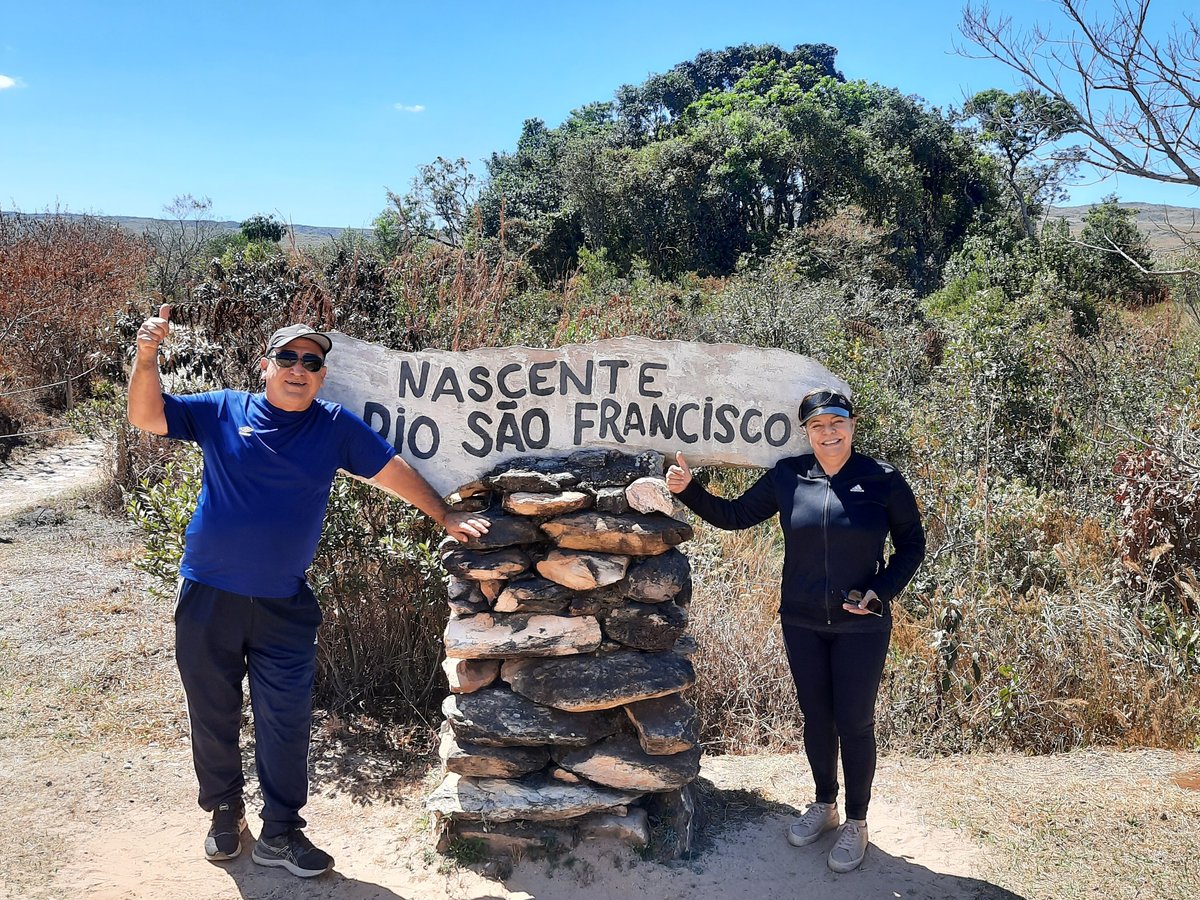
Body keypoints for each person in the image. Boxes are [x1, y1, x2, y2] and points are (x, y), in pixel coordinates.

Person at [127, 306, 488, 878]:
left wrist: (442, 512)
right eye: (289, 357)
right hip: (208, 595)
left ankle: (281, 832)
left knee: (286, 719)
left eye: (311, 362)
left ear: (321, 375)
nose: (299, 368)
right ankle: (223, 813)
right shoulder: (224, 410)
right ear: (265, 365)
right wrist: (147, 356)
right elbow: (147, 416)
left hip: (283, 603)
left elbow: (390, 469)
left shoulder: (334, 426)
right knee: (213, 711)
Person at [666, 387, 924, 873]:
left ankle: (856, 821)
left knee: (855, 721)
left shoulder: (882, 479)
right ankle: (824, 804)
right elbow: (735, 516)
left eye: (837, 423)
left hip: (861, 625)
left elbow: (912, 545)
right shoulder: (790, 475)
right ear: (805, 431)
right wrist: (689, 490)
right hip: (802, 620)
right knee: (816, 718)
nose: (828, 433)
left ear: (852, 425)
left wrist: (879, 590)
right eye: (817, 426)